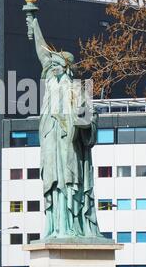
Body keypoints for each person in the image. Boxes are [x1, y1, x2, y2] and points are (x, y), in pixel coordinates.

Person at [27, 14, 102, 239]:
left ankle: (73, 227)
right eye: (53, 65)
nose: (53, 67)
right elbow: (42, 51)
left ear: (67, 67)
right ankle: (56, 226)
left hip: (70, 146)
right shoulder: (50, 83)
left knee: (70, 184)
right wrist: (33, 21)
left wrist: (85, 123)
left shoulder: (79, 91)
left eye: (57, 64)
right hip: (51, 140)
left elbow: (91, 124)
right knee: (54, 183)